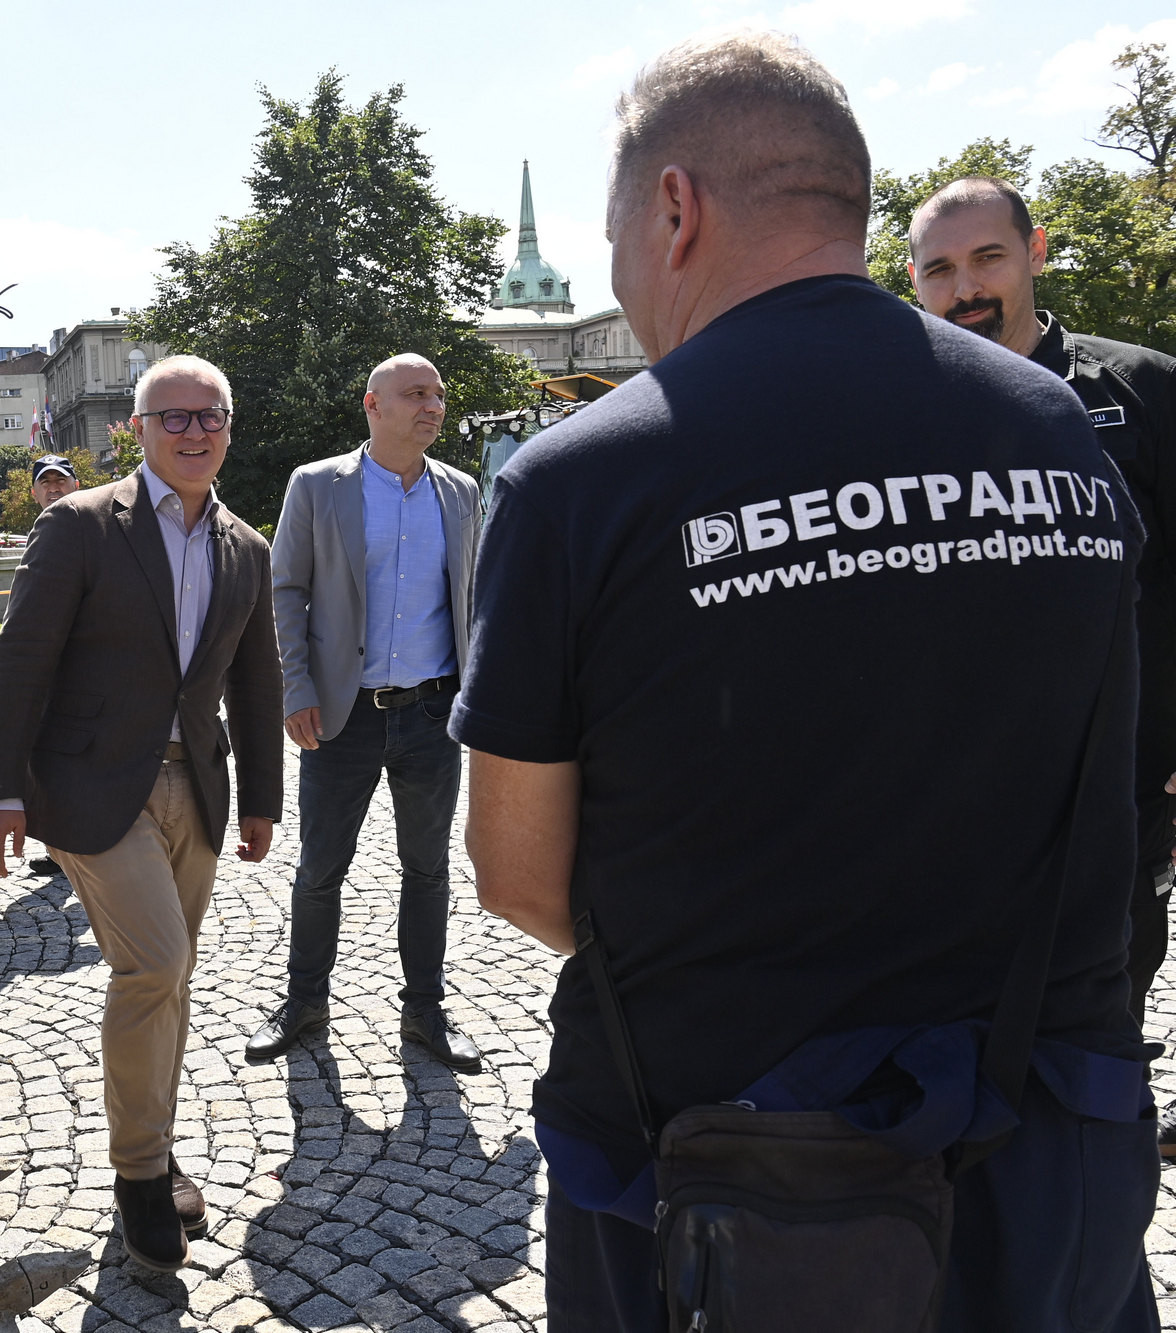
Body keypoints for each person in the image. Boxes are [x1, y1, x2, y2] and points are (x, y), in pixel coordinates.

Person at [454, 31, 1155, 1329]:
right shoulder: (1056, 426)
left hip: (728, 1172)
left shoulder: (579, 480)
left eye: (616, 241)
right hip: (1045, 1144)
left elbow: (519, 874)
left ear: (674, 210)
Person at [0, 355, 282, 1273]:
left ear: (229, 428)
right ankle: (140, 1172)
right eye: (173, 416)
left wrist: (262, 796)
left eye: (210, 415)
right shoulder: (78, 524)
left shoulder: (246, 546)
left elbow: (256, 679)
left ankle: (155, 1137)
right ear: (138, 430)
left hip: (199, 787)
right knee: (156, 962)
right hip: (93, 786)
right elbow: (20, 659)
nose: (194, 431)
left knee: (170, 981)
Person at [908, 177, 1176, 1152]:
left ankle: (1089, 1191)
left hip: (1121, 781)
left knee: (1103, 1004)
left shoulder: (1144, 388)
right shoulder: (898, 409)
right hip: (945, 792)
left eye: (987, 257)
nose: (965, 288)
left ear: (1036, 250)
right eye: (939, 269)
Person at [246, 353, 483, 1071]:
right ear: (373, 404)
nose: (433, 405)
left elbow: (476, 597)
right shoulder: (318, 485)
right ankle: (304, 1001)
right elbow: (285, 589)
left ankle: (426, 1009)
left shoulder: (461, 491)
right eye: (416, 393)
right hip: (341, 714)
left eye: (438, 394)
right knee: (320, 868)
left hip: (433, 713)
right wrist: (296, 688)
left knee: (429, 869)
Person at [23, 453, 81, 879]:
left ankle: (80, 844)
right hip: (47, 667)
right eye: (46, 482)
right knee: (48, 758)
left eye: (61, 480)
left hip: (83, 666)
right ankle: (59, 847)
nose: (54, 487)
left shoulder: (93, 528)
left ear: (76, 485)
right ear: (34, 492)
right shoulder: (37, 534)